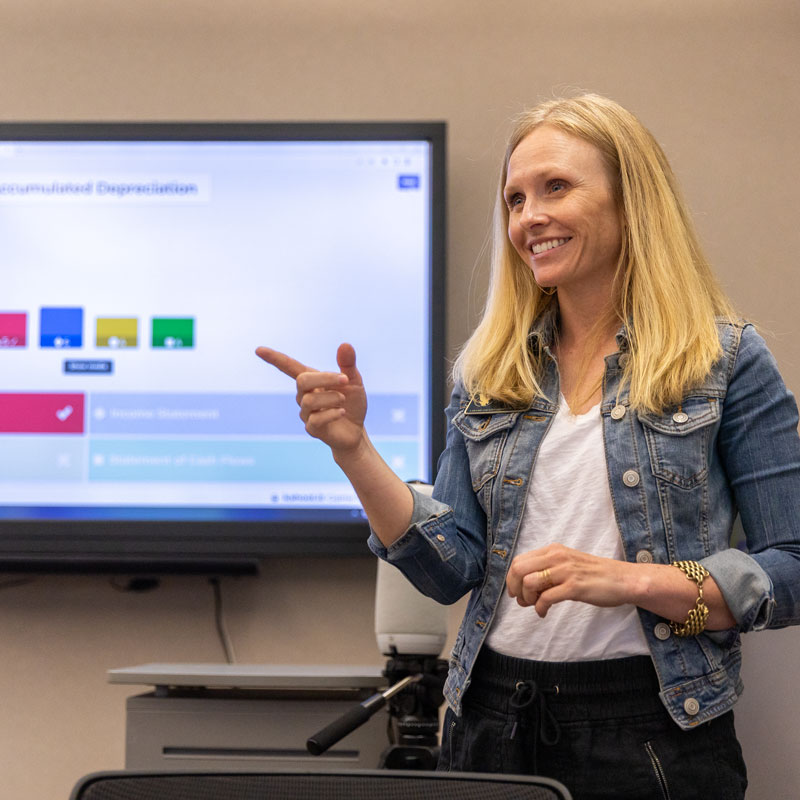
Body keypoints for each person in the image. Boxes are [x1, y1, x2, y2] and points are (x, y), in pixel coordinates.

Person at [257, 94, 800, 799]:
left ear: (631, 201)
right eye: (515, 198)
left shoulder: (725, 361)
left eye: (556, 188)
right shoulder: (489, 367)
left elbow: (790, 568)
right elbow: (450, 569)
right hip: (487, 722)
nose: (528, 217)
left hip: (654, 731)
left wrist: (631, 581)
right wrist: (354, 450)